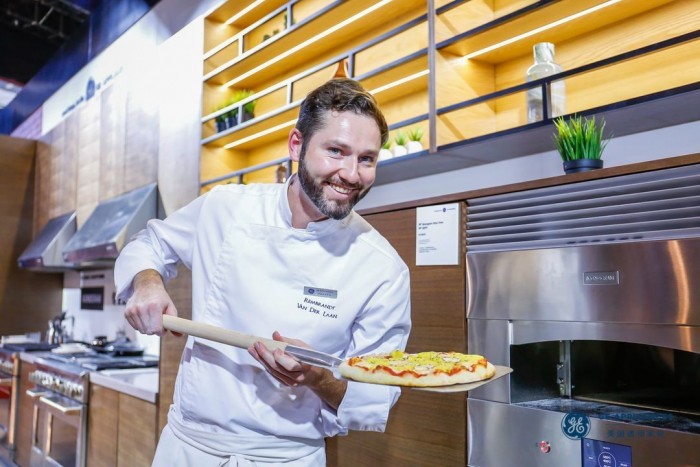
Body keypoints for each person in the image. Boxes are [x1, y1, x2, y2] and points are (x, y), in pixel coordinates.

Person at [114, 78, 411, 466]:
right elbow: (149, 244)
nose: (352, 174)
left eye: (366, 159)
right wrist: (147, 283)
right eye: (336, 151)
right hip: (190, 448)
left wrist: (317, 377)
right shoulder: (225, 207)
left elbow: (375, 394)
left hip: (287, 457)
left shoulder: (383, 268)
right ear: (296, 145)